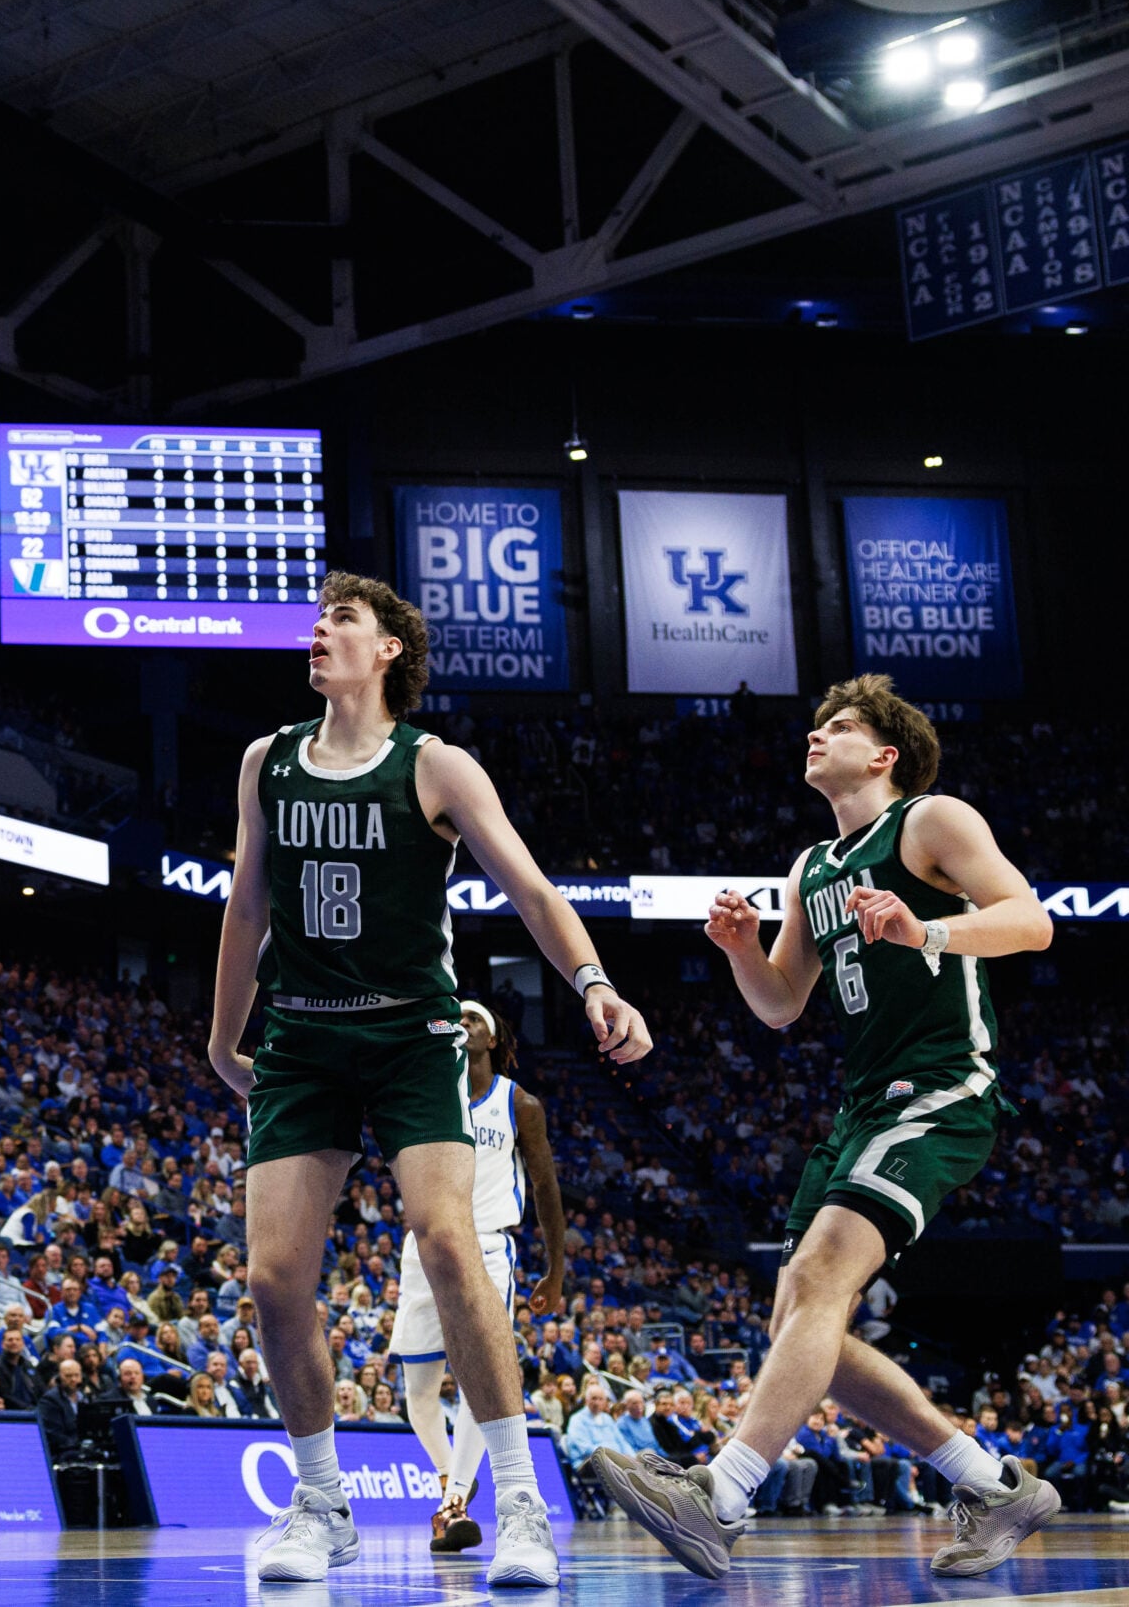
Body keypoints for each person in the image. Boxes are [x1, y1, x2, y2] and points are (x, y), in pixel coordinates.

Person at [205, 572, 652, 1589]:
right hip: (303, 1041)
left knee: (447, 1238)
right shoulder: (265, 761)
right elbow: (245, 910)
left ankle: (520, 1504)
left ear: (389, 650)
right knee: (274, 1281)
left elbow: (531, 889)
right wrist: (222, 1037)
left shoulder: (434, 765)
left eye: (342, 621)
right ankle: (322, 1504)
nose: (318, 632)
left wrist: (593, 984)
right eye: (315, 621)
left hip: (411, 1038)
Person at [592, 677, 1060, 1581]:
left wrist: (924, 931)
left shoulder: (931, 821)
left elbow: (1031, 922)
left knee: (815, 1278)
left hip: (940, 1089)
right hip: (861, 1104)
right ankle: (991, 1481)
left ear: (884, 755)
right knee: (800, 1320)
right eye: (815, 726)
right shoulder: (812, 867)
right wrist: (737, 951)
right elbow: (779, 1004)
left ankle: (720, 1496)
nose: (817, 736)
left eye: (838, 727)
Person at [392, 998, 566, 1558]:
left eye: (475, 1020)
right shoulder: (426, 1094)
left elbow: (545, 1188)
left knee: (478, 1378)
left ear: (493, 1040)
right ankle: (449, 1480)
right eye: (457, 1018)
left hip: (489, 1245)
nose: (463, 1025)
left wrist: (556, 1269)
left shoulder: (521, 1103)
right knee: (416, 1392)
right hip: (422, 1247)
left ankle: (455, 1504)